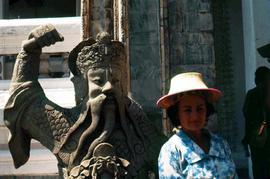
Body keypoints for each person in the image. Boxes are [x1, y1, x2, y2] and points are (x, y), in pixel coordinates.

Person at [4, 24, 165, 178]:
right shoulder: (64, 127)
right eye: (98, 81)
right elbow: (24, 98)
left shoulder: (143, 133)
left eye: (115, 81)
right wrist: (29, 52)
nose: (108, 88)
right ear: (83, 86)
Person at [157, 72, 237, 178]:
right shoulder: (171, 151)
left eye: (200, 109)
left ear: (207, 110)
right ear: (176, 114)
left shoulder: (220, 144)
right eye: (187, 110)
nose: (195, 116)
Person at [242, 66, 270, 179]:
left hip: (258, 139)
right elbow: (248, 115)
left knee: (259, 169)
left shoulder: (253, 94)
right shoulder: (255, 94)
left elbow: (246, 113)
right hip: (259, 139)